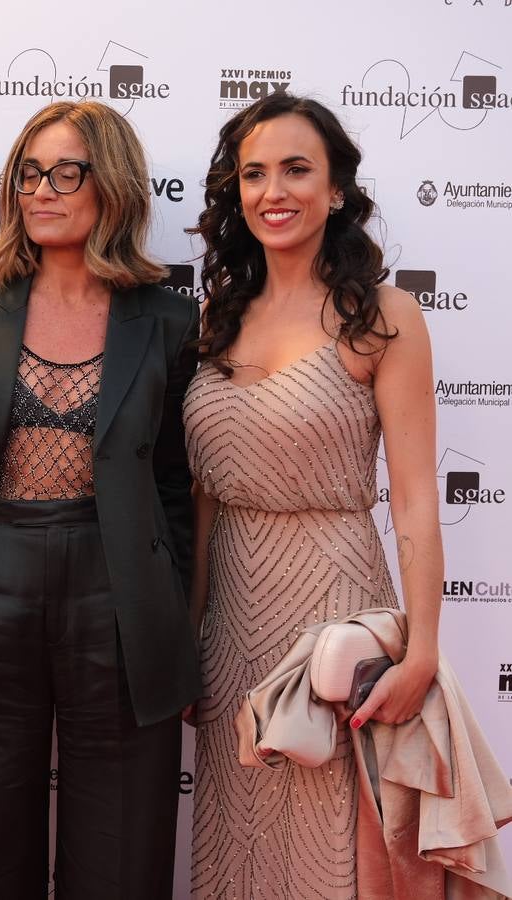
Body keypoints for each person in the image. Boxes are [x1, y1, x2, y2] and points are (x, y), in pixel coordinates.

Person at [0, 100, 200, 899]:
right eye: (29, 173)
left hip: (120, 591)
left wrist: (173, 615)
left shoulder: (171, 319)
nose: (41, 189)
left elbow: (174, 484)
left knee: (122, 851)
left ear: (113, 184)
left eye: (66, 172)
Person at [184, 93, 442, 899]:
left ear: (336, 191)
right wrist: (191, 634)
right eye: (254, 174)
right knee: (238, 846)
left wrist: (423, 652)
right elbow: (204, 498)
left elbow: (414, 501)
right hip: (231, 624)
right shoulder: (216, 318)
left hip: (335, 618)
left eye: (297, 169)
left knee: (335, 846)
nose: (274, 191)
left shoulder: (384, 318)